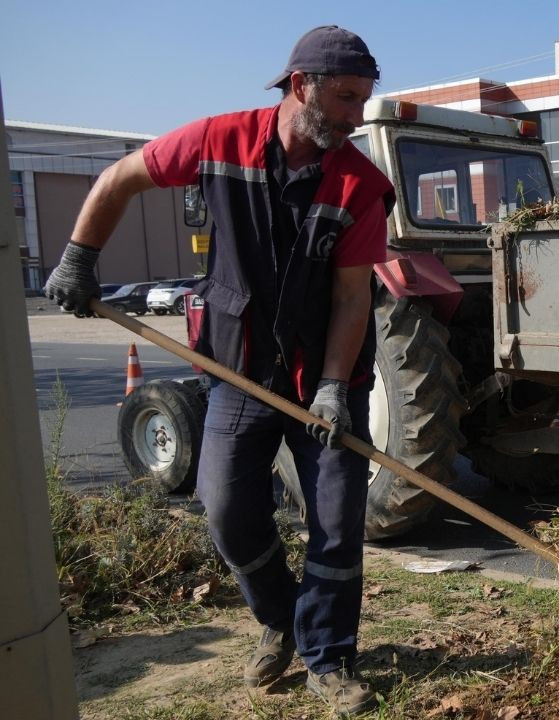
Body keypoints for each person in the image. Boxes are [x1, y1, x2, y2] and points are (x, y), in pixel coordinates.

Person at [44, 25, 393, 716]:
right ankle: (280, 619)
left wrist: (331, 388)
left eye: (364, 99)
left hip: (326, 378)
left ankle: (328, 655)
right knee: (228, 509)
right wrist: (79, 257)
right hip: (234, 371)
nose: (358, 116)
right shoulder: (217, 141)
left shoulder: (360, 183)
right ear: (302, 86)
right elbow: (120, 178)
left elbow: (355, 296)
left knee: (335, 519)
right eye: (347, 98)